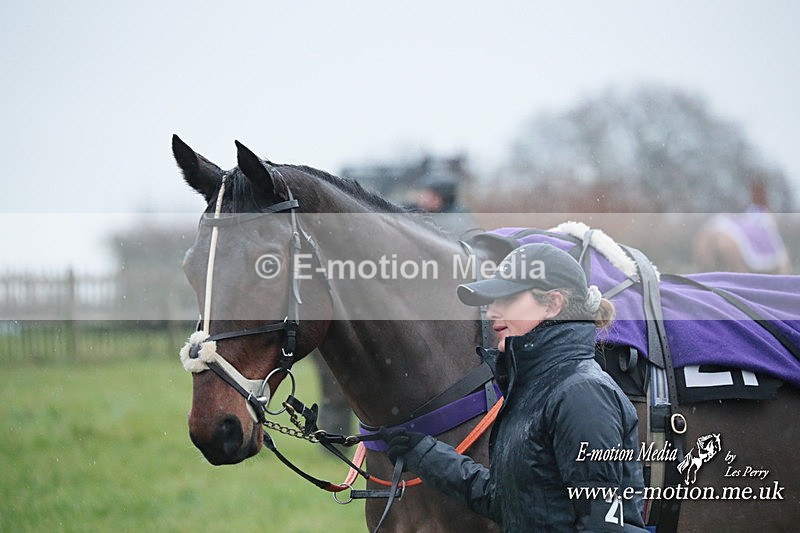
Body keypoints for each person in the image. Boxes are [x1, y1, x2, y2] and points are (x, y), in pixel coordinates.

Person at [381, 243, 647, 532]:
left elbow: (602, 526)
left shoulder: (582, 394)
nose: (492, 311)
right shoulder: (534, 389)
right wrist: (425, 455)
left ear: (553, 304)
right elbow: (507, 502)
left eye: (507, 298)